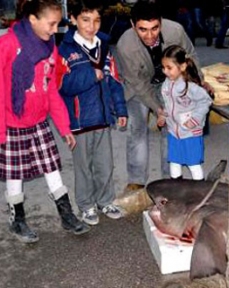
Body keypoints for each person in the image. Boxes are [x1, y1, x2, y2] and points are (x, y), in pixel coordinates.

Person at [0, 0, 90, 244]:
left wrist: (64, 126)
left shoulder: (49, 47)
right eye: (51, 24)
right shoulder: (4, 46)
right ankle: (17, 218)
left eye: (57, 24)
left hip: (38, 121)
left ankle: (66, 214)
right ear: (32, 19)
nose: (55, 30)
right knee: (15, 172)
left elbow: (50, 89)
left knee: (51, 166)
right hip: (11, 124)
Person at [115, 0, 204, 192]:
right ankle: (137, 180)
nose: (150, 35)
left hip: (170, 83)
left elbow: (191, 58)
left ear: (161, 22)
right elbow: (139, 84)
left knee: (171, 131)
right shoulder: (125, 45)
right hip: (138, 87)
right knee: (137, 129)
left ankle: (169, 179)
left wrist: (194, 87)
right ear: (132, 25)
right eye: (143, 29)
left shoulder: (176, 31)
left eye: (155, 28)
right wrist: (159, 109)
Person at [56, 0, 128, 225]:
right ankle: (86, 206)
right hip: (79, 121)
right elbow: (62, 85)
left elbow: (114, 82)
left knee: (105, 164)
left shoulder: (104, 47)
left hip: (103, 119)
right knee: (83, 167)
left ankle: (105, 200)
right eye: (85, 20)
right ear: (74, 20)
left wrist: (120, 109)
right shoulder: (65, 50)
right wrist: (92, 75)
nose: (91, 26)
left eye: (96, 20)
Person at [156, 45, 213, 180]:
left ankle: (200, 190)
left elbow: (206, 101)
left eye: (169, 68)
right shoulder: (167, 84)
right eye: (163, 68)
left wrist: (195, 120)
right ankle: (176, 189)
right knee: (174, 162)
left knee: (193, 164)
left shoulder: (191, 87)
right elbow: (168, 104)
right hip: (173, 132)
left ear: (182, 67)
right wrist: (163, 115)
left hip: (190, 133)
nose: (165, 72)